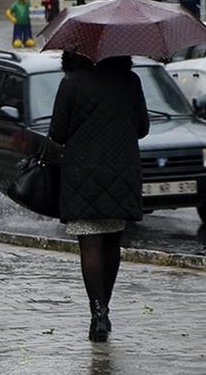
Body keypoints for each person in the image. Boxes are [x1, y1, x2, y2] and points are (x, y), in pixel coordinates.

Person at [48, 52, 149, 343]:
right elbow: (142, 128)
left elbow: (57, 133)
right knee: (111, 243)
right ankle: (105, 308)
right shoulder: (130, 81)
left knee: (90, 243)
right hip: (121, 172)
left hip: (82, 174)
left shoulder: (72, 84)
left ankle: (97, 313)